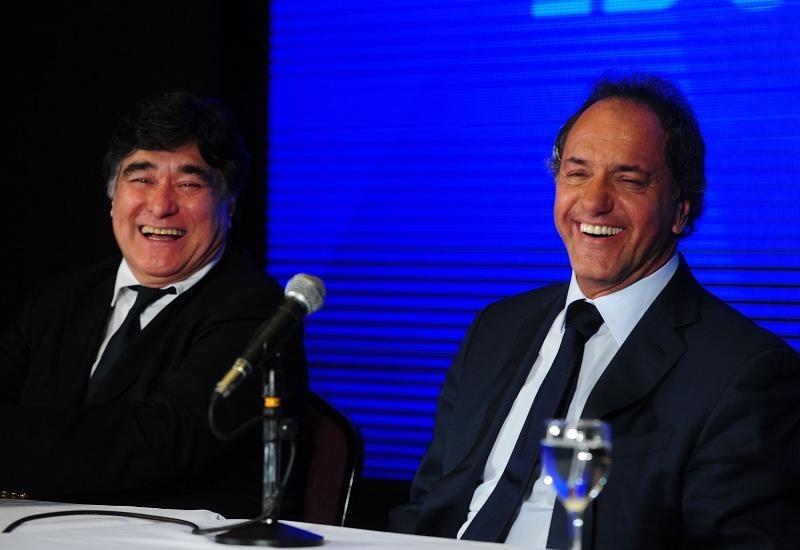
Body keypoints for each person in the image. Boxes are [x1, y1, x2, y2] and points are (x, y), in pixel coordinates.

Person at [389, 74, 800, 548]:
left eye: (629, 180)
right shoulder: (496, 328)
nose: (593, 202)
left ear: (681, 210)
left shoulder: (746, 372)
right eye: (577, 174)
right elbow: (429, 502)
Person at [0, 91, 308, 520]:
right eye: (141, 179)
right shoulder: (59, 299)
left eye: (188, 184)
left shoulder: (258, 312)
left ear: (230, 204)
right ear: (113, 197)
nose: (161, 206)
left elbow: (156, 439)